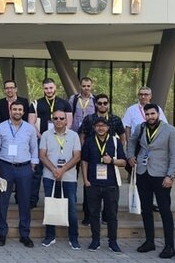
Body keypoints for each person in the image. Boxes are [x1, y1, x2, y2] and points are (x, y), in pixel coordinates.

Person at [127, 103, 175, 258]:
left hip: (161, 175)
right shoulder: (141, 127)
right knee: (146, 208)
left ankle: (169, 245)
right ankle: (149, 241)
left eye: (152, 114)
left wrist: (170, 175)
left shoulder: (170, 130)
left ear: (158, 114)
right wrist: (130, 155)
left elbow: (174, 155)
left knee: (164, 210)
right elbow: (131, 141)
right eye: (147, 114)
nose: (150, 117)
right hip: (143, 173)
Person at [0, 101, 38, 247]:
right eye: (14, 109)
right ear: (10, 111)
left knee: (24, 202)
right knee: (2, 200)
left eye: (20, 109)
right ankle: (2, 233)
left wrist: (33, 166)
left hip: (24, 168)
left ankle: (25, 234)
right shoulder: (1, 127)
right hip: (5, 167)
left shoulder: (30, 129)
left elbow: (34, 148)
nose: (17, 112)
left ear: (23, 112)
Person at [80, 117, 127, 252]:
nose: (101, 128)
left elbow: (123, 162)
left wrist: (111, 161)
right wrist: (85, 180)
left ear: (108, 128)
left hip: (111, 184)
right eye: (98, 125)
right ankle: (95, 240)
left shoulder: (115, 141)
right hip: (93, 183)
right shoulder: (89, 141)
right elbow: (84, 161)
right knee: (94, 214)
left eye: (103, 126)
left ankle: (113, 242)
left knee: (112, 214)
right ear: (94, 128)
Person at [77, 93, 125, 224]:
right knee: (90, 190)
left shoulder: (115, 119)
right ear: (96, 105)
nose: (102, 105)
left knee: (109, 191)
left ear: (108, 104)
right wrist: (84, 148)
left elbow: (122, 134)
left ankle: (106, 217)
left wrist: (118, 149)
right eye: (100, 103)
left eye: (105, 103)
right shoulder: (89, 119)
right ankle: (88, 217)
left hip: (109, 160)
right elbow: (82, 134)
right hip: (92, 158)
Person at [39, 108, 82, 249]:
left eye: (61, 118)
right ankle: (50, 236)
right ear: (52, 120)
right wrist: (54, 170)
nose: (58, 121)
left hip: (68, 178)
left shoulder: (74, 135)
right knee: (50, 206)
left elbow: (77, 156)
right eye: (55, 118)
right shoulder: (46, 134)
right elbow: (42, 155)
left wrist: (62, 170)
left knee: (71, 209)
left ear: (66, 120)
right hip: (49, 177)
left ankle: (73, 238)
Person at [28, 78, 72, 209]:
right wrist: (42, 136)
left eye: (51, 88)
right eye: (46, 88)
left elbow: (68, 122)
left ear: (55, 88)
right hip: (40, 140)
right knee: (37, 171)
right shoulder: (36, 103)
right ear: (43, 89)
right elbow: (31, 123)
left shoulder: (65, 103)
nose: (49, 91)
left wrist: (59, 136)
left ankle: (57, 197)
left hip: (59, 141)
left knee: (57, 168)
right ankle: (32, 200)